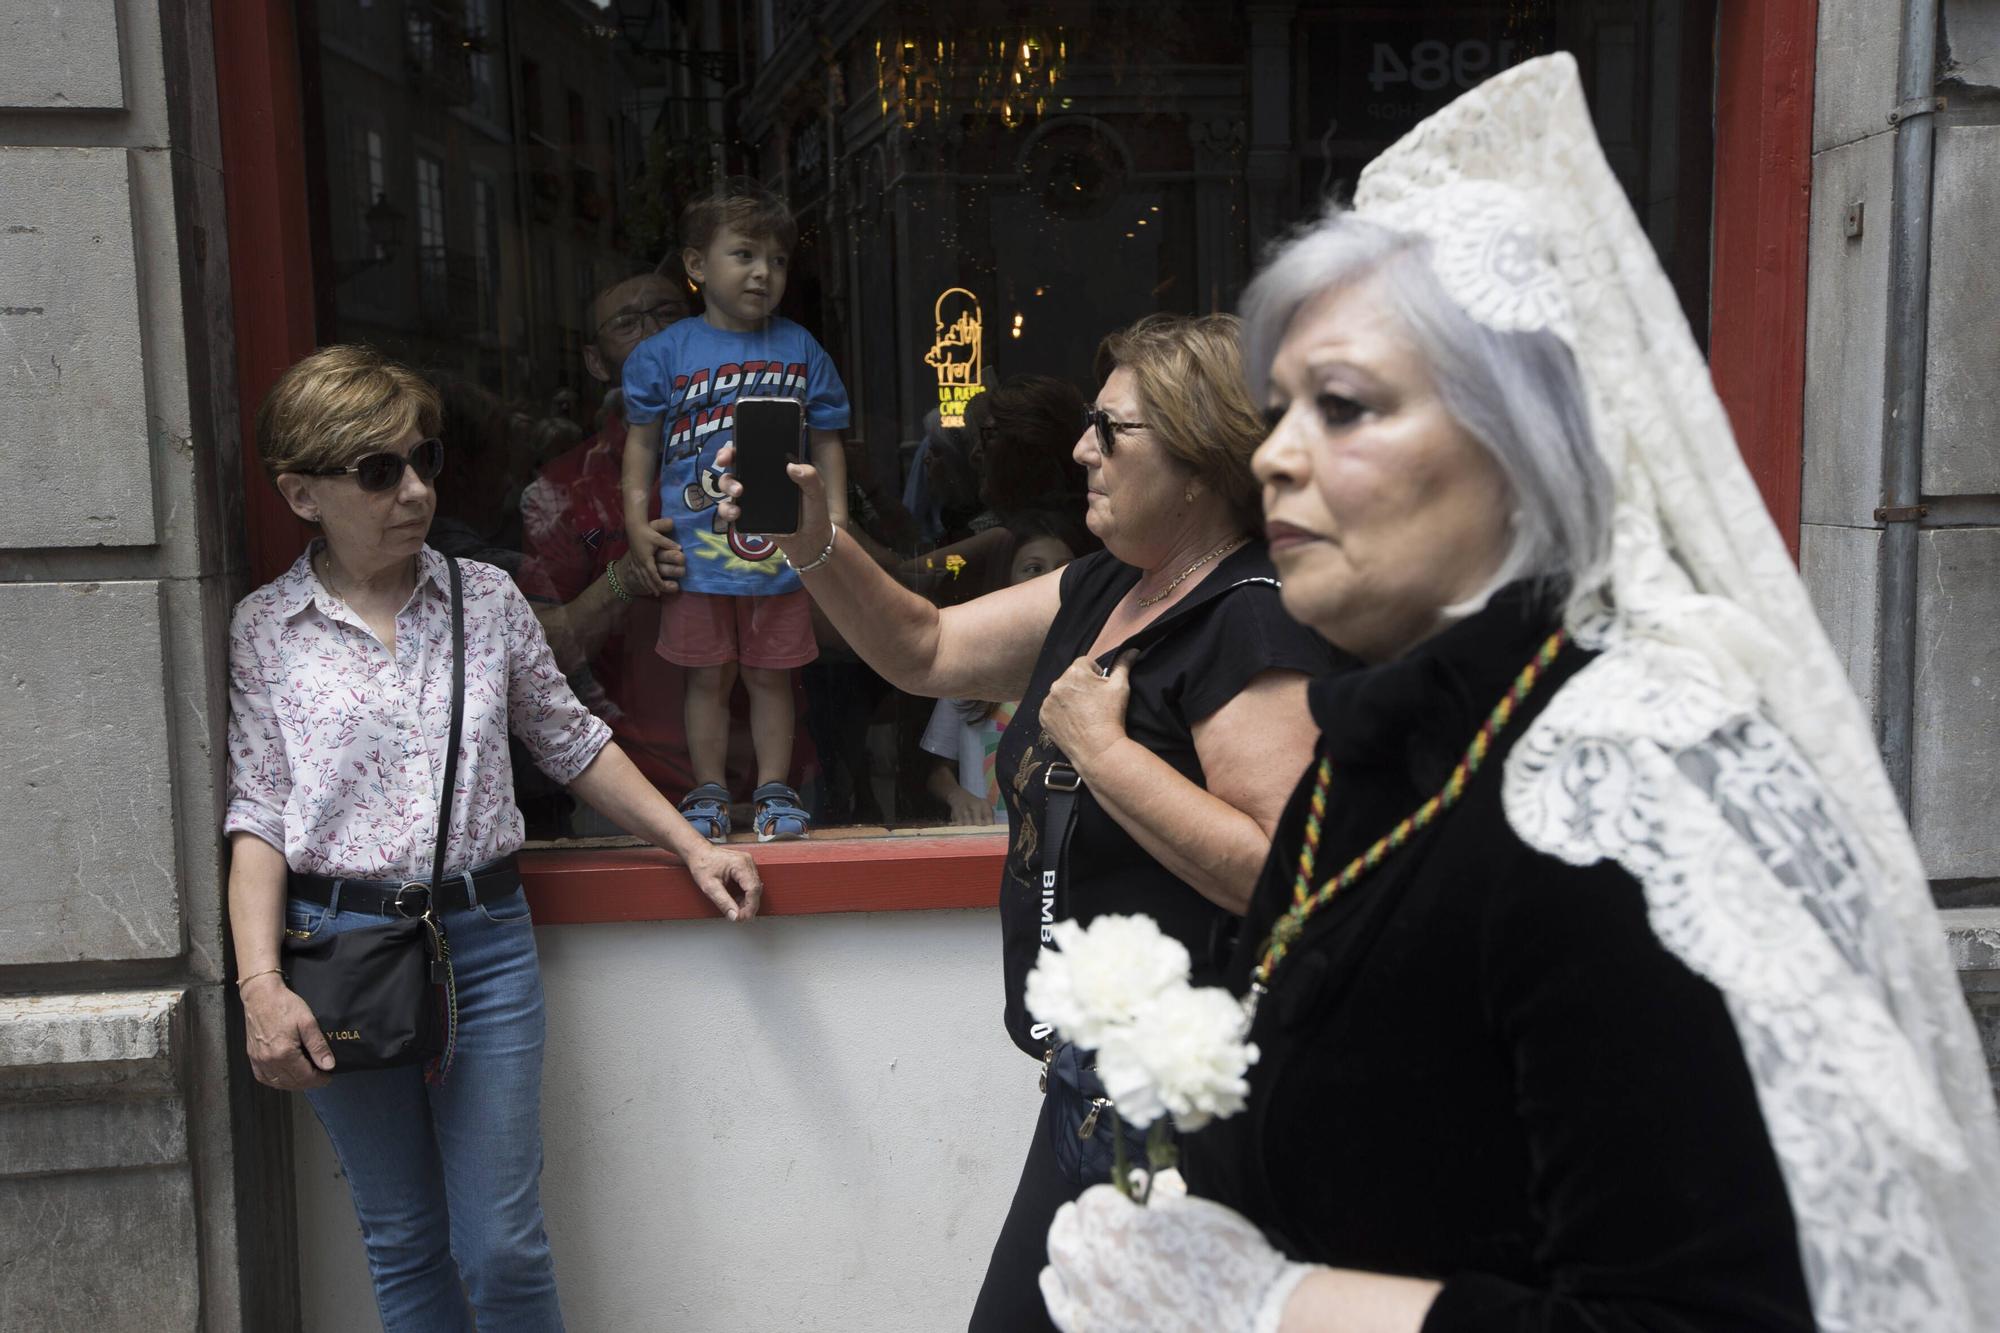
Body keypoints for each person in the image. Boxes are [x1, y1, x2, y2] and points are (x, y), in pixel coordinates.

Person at [1037, 54, 2000, 1333]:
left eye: (1342, 407)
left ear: (1520, 445)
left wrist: (1277, 1308)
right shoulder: (1389, 743)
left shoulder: (1612, 795)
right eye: (1277, 411)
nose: (1273, 455)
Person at [716, 312, 1342, 1332]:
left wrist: (1102, 750)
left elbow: (1281, 878)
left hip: (1188, 1110)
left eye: (1111, 426)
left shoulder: (1249, 619)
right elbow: (919, 648)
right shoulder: (1105, 587)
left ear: (1198, 455)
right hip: (1087, 1084)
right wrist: (812, 540)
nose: (1078, 447)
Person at [225, 345, 764, 1332]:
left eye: (422, 459)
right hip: (337, 950)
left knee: (501, 1243)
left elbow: (570, 742)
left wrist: (689, 844)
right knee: (401, 1240)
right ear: (302, 494)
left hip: (482, 940)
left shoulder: (487, 600)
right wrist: (261, 985)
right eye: (379, 471)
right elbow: (258, 814)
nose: (414, 489)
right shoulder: (268, 629)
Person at [621, 178, 851, 842]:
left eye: (777, 260)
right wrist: (638, 525)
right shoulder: (663, 355)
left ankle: (776, 789)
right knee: (707, 679)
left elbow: (829, 438)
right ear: (697, 266)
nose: (763, 272)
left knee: (773, 677)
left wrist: (834, 521)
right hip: (696, 553)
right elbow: (640, 445)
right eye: (744, 254)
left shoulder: (801, 347)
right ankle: (711, 791)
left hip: (782, 550)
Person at [518, 265, 699, 808]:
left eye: (668, 314)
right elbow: (541, 649)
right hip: (628, 778)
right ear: (596, 362)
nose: (654, 331)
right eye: (628, 322)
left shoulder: (757, 455)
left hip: (773, 766)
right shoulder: (561, 489)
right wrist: (625, 577)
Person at [921, 510, 1091, 826]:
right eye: (1033, 569)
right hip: (984, 846)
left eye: (1063, 570)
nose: (1049, 581)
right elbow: (937, 771)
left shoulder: (1093, 663)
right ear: (1006, 579)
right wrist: (957, 796)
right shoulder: (969, 664)